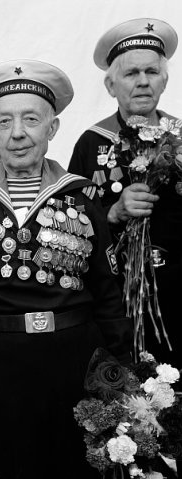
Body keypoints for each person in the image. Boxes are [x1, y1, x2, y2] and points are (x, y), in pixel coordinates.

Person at [0, 59, 133, 478]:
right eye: (4, 121)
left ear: (52, 128)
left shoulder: (81, 198)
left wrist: (118, 372)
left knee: (81, 468)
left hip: (76, 360)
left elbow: (109, 293)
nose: (17, 133)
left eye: (31, 120)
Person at [67, 18, 182, 369]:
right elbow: (69, 229)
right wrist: (113, 212)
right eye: (132, 73)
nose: (143, 81)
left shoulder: (180, 139)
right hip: (114, 301)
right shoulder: (91, 144)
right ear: (110, 84)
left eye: (152, 71)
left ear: (164, 80)